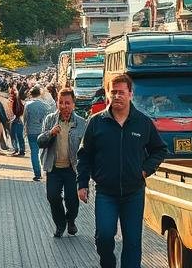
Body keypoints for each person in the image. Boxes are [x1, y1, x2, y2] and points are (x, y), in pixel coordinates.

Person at [76, 73, 167, 268]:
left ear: (130, 94)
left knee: (133, 242)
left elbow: (159, 150)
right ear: (108, 94)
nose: (117, 96)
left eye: (121, 92)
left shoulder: (142, 122)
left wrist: (144, 170)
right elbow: (84, 155)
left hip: (133, 193)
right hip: (105, 193)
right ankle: (107, 262)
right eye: (113, 92)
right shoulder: (96, 122)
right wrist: (82, 184)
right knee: (104, 237)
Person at [38, 87, 87, 237]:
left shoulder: (81, 123)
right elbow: (40, 142)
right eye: (60, 102)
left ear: (73, 104)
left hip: (72, 168)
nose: (64, 106)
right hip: (53, 168)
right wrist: (50, 133)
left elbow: (86, 149)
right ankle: (60, 225)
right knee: (53, 197)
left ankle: (70, 219)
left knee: (72, 200)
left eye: (67, 103)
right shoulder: (50, 120)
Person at [23, 86, 53, 181]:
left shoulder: (28, 105)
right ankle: (46, 171)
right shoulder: (45, 105)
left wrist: (25, 130)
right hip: (42, 131)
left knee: (34, 153)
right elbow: (48, 118)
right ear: (39, 94)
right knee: (44, 152)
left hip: (31, 131)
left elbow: (25, 119)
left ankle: (37, 174)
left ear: (31, 94)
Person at [9, 87, 27, 157]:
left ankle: (20, 150)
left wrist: (16, 117)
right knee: (15, 135)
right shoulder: (15, 101)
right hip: (16, 119)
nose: (10, 95)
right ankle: (17, 149)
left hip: (17, 119)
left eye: (11, 94)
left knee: (17, 135)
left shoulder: (16, 101)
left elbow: (18, 111)